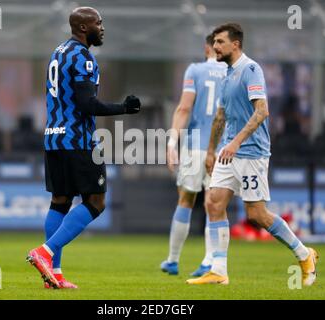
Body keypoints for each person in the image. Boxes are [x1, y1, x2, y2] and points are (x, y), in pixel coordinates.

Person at [187, 23, 318, 286]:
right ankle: (219, 271)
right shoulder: (226, 74)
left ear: (235, 44)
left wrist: (234, 142)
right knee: (214, 203)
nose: (215, 47)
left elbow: (262, 111)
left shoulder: (251, 70)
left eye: (220, 42)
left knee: (256, 214)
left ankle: (305, 254)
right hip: (228, 151)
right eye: (214, 42)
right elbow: (221, 116)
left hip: (251, 153)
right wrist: (212, 149)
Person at [26, 7, 141, 289]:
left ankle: (55, 275)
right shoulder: (82, 56)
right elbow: (87, 103)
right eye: (97, 23)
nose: (102, 28)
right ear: (82, 27)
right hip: (77, 140)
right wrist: (124, 108)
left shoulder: (58, 52)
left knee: (60, 201)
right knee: (96, 202)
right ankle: (45, 252)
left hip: (53, 137)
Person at [161, 34, 227, 276]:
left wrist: (171, 142)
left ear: (205, 48)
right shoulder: (233, 72)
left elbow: (184, 107)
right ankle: (210, 260)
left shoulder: (195, 70)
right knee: (214, 204)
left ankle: (173, 260)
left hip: (195, 144)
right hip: (221, 148)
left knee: (186, 200)